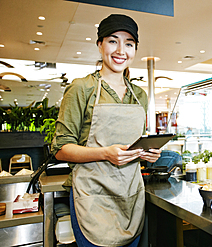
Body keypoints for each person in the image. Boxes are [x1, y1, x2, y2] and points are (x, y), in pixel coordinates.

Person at [51, 14, 161, 247]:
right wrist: (105, 153)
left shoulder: (139, 95)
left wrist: (147, 152)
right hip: (91, 198)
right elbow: (60, 149)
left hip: (130, 196)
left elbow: (134, 144)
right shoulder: (82, 88)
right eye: (113, 41)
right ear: (99, 44)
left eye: (129, 44)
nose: (121, 50)